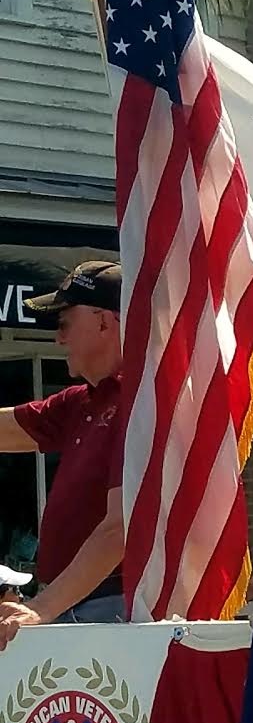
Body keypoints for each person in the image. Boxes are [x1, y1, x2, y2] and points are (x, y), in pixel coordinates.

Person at [0, 261, 126, 649]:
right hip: (74, 610)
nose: (58, 339)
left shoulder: (146, 400)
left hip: (113, 612)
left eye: (64, 323)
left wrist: (42, 608)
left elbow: (123, 525)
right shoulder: (79, 403)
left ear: (104, 322)